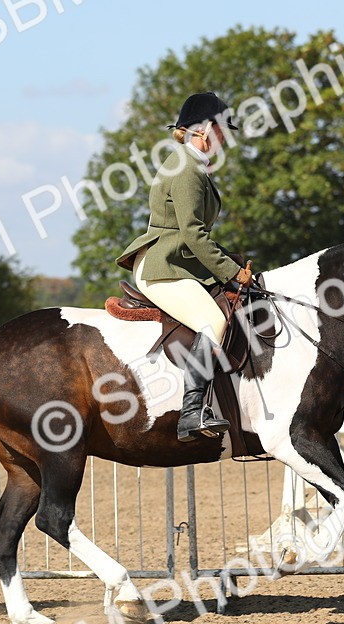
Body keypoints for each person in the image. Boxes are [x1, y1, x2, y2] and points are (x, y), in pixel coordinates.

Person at [115, 92, 254, 442]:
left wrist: (229, 261)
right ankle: (192, 411)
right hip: (162, 265)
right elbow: (192, 233)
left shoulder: (192, 165)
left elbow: (194, 234)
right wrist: (230, 272)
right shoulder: (186, 168)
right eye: (223, 131)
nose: (226, 139)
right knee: (215, 321)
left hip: (179, 262)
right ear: (205, 130)